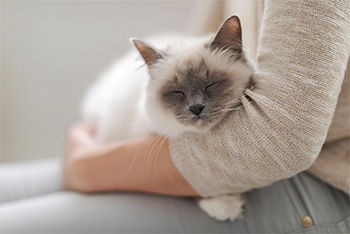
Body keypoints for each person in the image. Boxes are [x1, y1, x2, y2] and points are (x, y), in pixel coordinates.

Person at [1, 0, 349, 233]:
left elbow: (282, 138)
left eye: (212, 87)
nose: (197, 105)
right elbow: (196, 41)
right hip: (211, 161)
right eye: (179, 95)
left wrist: (86, 167)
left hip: (313, 180)